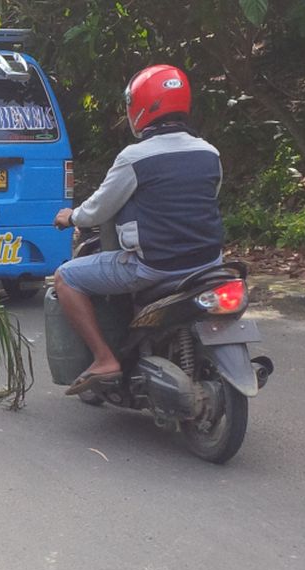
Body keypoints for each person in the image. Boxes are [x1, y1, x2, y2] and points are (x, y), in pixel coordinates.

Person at [53, 65, 224, 396]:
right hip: (209, 265)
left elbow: (100, 208)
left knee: (65, 278)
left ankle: (104, 359)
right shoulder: (209, 152)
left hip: (155, 268)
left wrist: (71, 217)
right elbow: (208, 199)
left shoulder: (135, 157)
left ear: (141, 106)